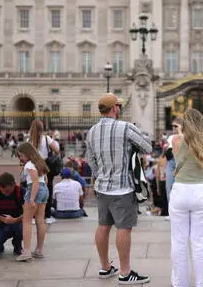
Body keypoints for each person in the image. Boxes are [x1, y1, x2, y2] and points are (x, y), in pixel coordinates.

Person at [86, 93, 152, 284]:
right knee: (124, 228)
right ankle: (125, 272)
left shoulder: (92, 131)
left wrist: (102, 176)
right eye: (119, 106)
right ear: (115, 108)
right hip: (122, 188)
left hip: (102, 187)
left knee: (103, 225)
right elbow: (147, 147)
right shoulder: (125, 128)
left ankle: (105, 267)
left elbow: (91, 161)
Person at [170, 108, 203, 287]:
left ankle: (180, 283)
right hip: (201, 192)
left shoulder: (175, 140)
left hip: (180, 191)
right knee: (200, 243)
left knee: (179, 240)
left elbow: (180, 144)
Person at [15, 142, 49, 262]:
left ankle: (27, 251)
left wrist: (32, 199)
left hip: (34, 190)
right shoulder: (40, 163)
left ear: (27, 153)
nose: (21, 158)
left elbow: (34, 182)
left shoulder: (29, 165)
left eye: (21, 155)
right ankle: (39, 250)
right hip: (44, 189)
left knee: (27, 221)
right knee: (40, 220)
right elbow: (45, 179)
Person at [28, 120, 60, 225]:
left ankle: (33, 215)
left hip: (34, 166)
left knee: (33, 190)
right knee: (48, 190)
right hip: (46, 166)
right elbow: (57, 150)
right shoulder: (46, 139)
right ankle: (47, 216)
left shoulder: (29, 141)